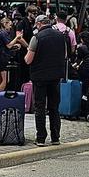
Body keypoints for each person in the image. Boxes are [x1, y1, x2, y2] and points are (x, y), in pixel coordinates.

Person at [23, 14, 68, 146]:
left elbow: (28, 59)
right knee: (54, 107)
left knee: (40, 107)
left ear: (38, 24)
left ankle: (41, 138)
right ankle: (55, 137)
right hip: (56, 77)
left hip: (40, 77)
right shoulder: (61, 36)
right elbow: (65, 55)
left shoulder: (36, 37)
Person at [0, 16, 25, 93]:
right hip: (2, 59)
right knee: (5, 80)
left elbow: (5, 45)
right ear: (5, 24)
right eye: (10, 25)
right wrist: (17, 38)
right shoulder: (3, 33)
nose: (11, 27)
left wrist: (14, 46)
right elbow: (8, 45)